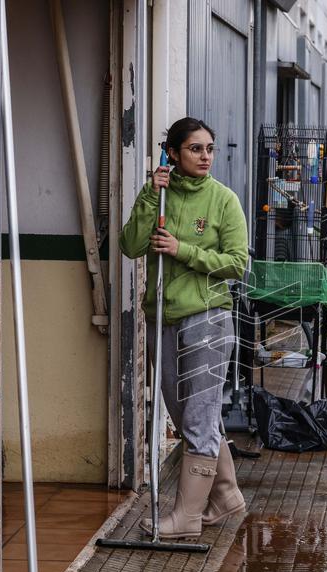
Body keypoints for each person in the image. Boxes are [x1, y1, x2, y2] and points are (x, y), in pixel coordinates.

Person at [119, 117, 249, 539]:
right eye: (195, 148)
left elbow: (237, 262)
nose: (205, 156)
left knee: (198, 415)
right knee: (185, 412)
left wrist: (183, 250)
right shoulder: (159, 196)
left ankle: (187, 516)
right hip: (163, 316)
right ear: (172, 153)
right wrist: (147, 194)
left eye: (209, 148)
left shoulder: (223, 200)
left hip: (208, 318)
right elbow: (130, 245)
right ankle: (226, 495)